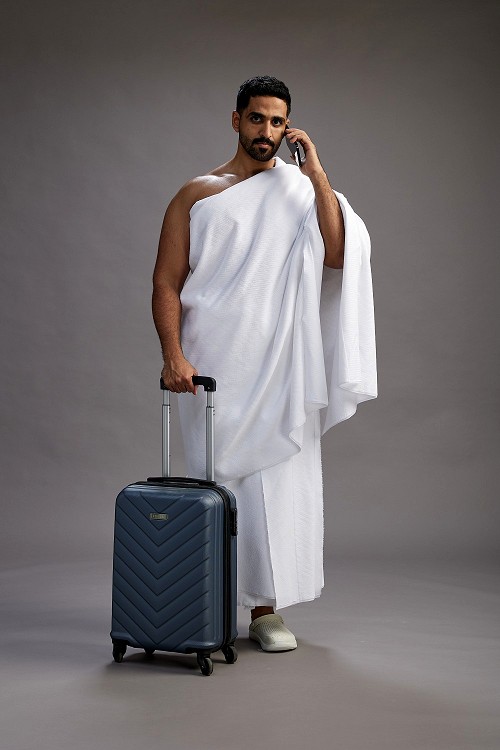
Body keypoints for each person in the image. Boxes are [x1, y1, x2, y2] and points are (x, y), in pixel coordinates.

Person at [152, 76, 377, 652]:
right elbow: (167, 281)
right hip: (213, 362)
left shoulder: (300, 191)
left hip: (280, 361)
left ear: (288, 127)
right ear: (236, 120)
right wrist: (173, 354)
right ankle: (205, 602)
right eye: (257, 119)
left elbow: (337, 254)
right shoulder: (197, 193)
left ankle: (264, 610)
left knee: (275, 483)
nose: (267, 131)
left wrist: (317, 172)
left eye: (278, 122)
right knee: (215, 479)